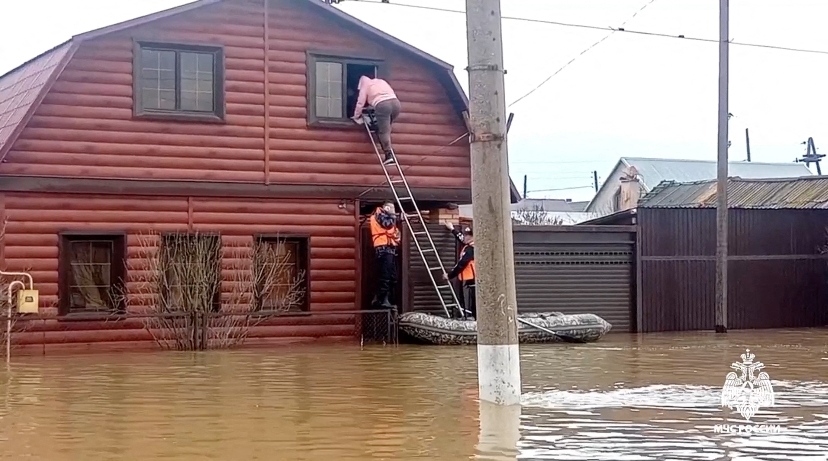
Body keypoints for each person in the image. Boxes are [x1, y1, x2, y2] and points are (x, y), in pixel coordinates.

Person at [351, 75, 401, 166]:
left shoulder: (365, 85)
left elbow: (360, 102)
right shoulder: (381, 81)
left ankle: (389, 155)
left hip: (383, 105)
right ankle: (387, 146)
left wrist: (356, 116)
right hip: (396, 104)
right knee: (386, 128)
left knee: (383, 132)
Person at [369, 200, 401, 308]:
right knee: (385, 276)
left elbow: (396, 234)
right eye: (392, 209)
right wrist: (393, 216)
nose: (394, 211)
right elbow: (388, 225)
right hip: (383, 249)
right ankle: (380, 300)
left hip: (390, 249)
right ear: (386, 208)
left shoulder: (386, 217)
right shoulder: (379, 215)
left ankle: (386, 299)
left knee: (392, 277)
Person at [443, 223, 476, 319]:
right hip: (468, 279)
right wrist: (452, 229)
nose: (465, 237)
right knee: (466, 302)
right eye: (465, 235)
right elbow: (461, 238)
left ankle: (472, 320)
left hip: (471, 280)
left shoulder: (471, 249)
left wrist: (449, 275)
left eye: (468, 235)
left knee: (471, 303)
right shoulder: (469, 245)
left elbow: (461, 264)